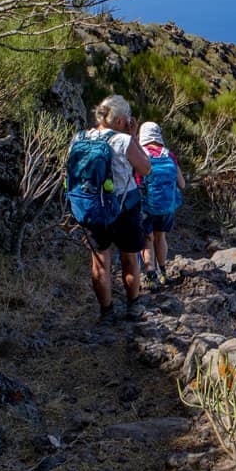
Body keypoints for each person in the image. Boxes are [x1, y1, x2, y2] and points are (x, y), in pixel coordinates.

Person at [74, 95, 151, 323]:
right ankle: (133, 307)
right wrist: (133, 136)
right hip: (123, 207)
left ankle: (106, 313)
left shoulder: (79, 138)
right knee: (129, 259)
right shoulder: (122, 141)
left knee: (100, 263)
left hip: (91, 208)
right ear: (119, 120)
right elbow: (145, 168)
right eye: (127, 119)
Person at [137, 121, 185, 290]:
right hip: (166, 207)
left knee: (147, 238)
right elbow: (182, 184)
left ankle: (151, 276)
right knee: (161, 236)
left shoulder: (140, 154)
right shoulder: (169, 155)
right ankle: (163, 272)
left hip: (145, 207)